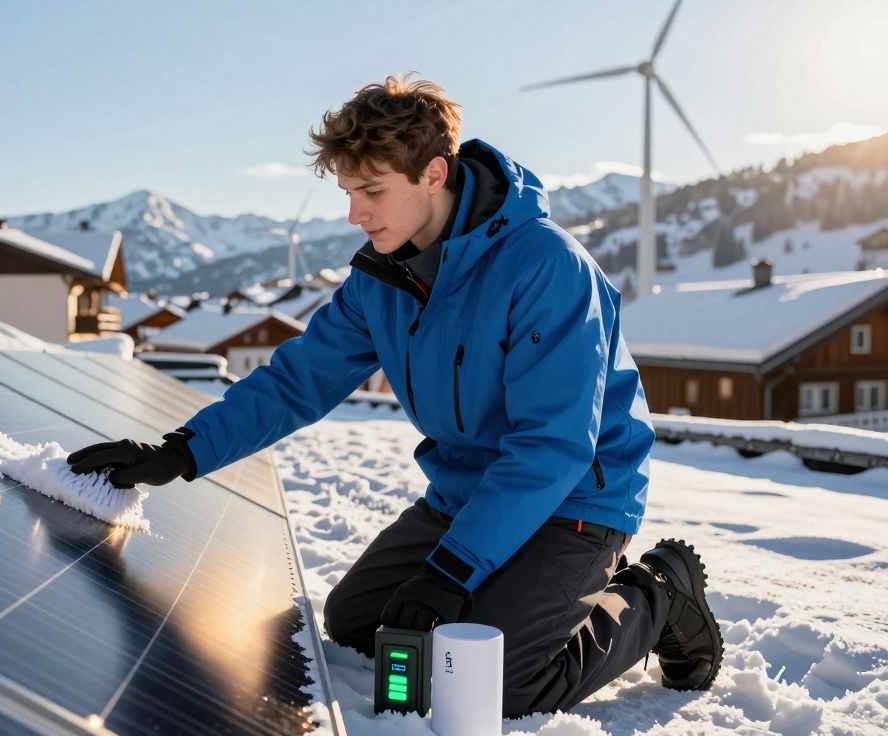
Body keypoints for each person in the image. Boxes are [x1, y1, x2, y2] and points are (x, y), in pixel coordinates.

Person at [67, 73, 723, 718]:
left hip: (574, 501)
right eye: (349, 192)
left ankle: (658, 591)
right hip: (462, 495)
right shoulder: (383, 278)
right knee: (358, 622)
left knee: (503, 684)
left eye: (372, 191)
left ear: (434, 174)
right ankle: (499, 573)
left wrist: (452, 573)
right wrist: (181, 453)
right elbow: (299, 381)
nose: (356, 214)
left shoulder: (546, 268)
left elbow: (552, 448)